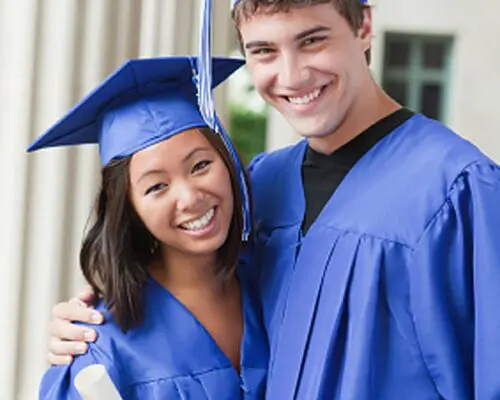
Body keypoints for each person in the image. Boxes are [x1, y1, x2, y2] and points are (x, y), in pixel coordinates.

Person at [47, 0, 500, 398]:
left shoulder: (459, 190)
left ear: (363, 27)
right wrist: (85, 326)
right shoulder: (260, 188)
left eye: (313, 40)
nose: (292, 75)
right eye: (264, 50)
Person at [29, 56, 268, 399]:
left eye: (200, 165)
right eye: (157, 186)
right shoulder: (101, 347)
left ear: (227, 161)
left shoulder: (275, 283)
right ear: (129, 208)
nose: (190, 198)